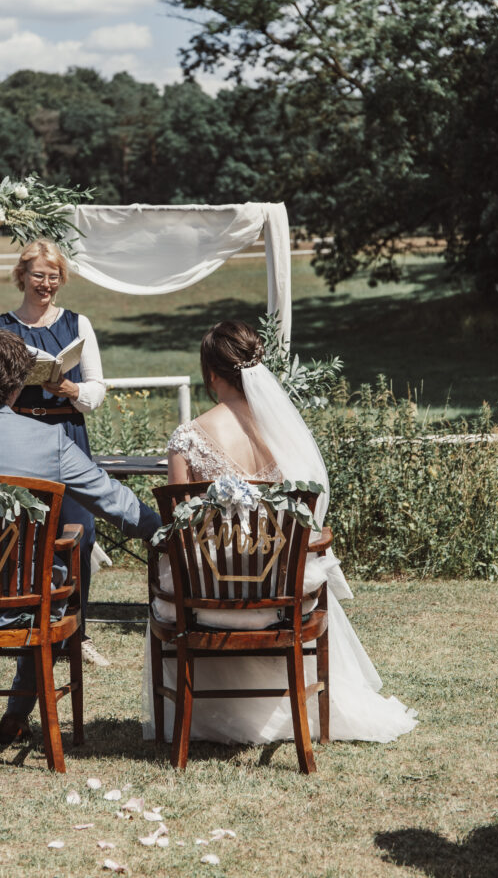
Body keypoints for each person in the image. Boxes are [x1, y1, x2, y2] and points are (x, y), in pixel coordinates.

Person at [143, 319, 418, 745]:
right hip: (278, 594)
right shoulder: (284, 434)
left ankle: (194, 713)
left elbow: (175, 525)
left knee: (170, 570)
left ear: (212, 374)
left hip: (208, 598)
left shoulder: (188, 438)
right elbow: (310, 521)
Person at [0, 329, 160, 745]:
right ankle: (17, 713)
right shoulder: (50, 444)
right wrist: (159, 529)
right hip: (28, 594)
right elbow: (113, 501)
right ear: (19, 385)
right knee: (53, 587)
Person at [0, 239, 109, 666]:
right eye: (39, 275)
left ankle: (78, 631)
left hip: (68, 433)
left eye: (54, 276)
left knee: (81, 532)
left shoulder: (78, 323)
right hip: (18, 433)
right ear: (22, 276)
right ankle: (24, 623)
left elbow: (97, 387)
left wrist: (72, 389)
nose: (46, 284)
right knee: (21, 530)